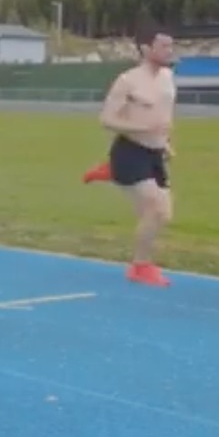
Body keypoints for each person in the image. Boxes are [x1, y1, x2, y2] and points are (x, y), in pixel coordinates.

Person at [84, 26, 177, 287]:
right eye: (164, 46)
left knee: (165, 215)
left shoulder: (168, 77)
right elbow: (107, 119)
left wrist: (165, 143)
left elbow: (163, 116)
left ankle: (110, 171)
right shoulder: (128, 81)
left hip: (155, 153)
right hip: (130, 151)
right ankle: (140, 267)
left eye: (172, 46)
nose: (170, 51)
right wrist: (144, 129)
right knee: (155, 208)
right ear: (146, 49)